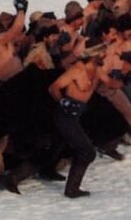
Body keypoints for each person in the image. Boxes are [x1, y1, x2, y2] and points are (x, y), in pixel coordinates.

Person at [48, 52, 102, 198]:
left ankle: (14, 177)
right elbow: (54, 87)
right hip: (65, 117)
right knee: (87, 151)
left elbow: (111, 82)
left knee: (54, 148)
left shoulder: (97, 70)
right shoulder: (76, 71)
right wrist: (63, 102)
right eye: (102, 51)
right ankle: (72, 189)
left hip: (76, 116)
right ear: (93, 53)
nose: (105, 54)